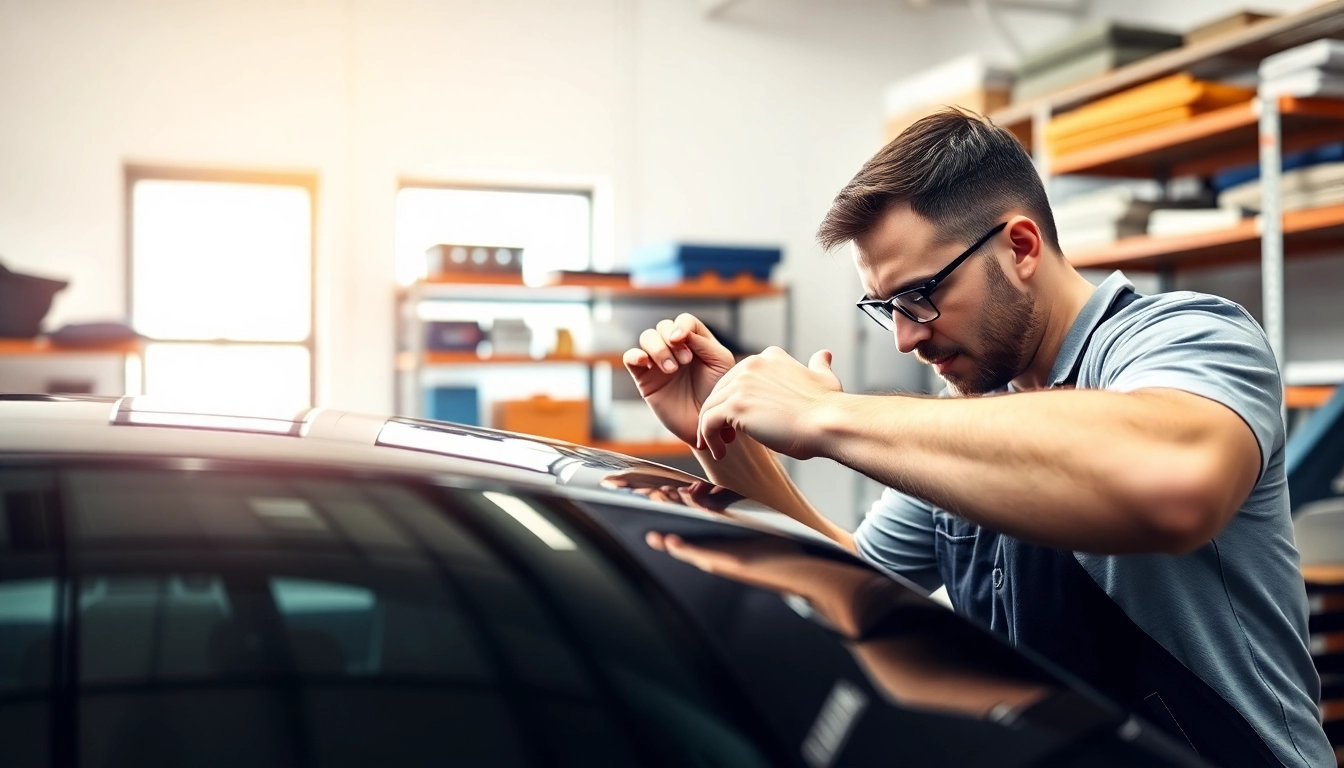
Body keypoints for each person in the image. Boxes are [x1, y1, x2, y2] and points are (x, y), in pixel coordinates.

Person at [623, 109, 1332, 768]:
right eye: (886, 307)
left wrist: (828, 418)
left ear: (1021, 246)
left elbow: (1175, 481)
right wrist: (729, 440)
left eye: (920, 295)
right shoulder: (970, 417)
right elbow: (854, 588)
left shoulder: (1188, 336)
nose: (904, 337)